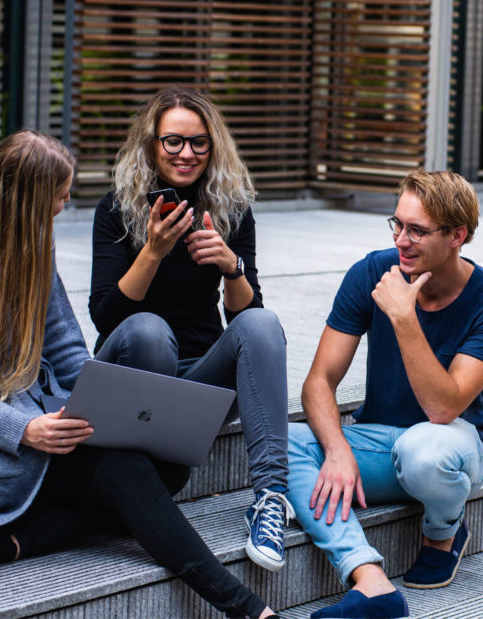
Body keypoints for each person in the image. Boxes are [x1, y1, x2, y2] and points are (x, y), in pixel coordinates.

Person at [0, 130, 279, 618]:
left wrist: (99, 404)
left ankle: (23, 539)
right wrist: (25, 429)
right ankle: (245, 606)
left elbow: (65, 347)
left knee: (170, 469)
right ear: (27, 196)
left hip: (44, 416)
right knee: (128, 473)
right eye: (58, 198)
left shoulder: (32, 242)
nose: (61, 209)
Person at [286, 170, 483, 618]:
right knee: (282, 441)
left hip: (452, 445)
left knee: (424, 449)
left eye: (417, 230)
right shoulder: (372, 272)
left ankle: (443, 530)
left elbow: (444, 407)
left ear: (457, 235)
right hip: (377, 440)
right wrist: (336, 449)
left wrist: (404, 317)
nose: (402, 240)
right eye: (397, 224)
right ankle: (369, 580)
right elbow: (318, 381)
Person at [89, 86, 292, 572]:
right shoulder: (116, 210)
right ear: (151, 144)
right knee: (149, 331)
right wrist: (153, 251)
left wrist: (231, 266)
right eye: (173, 141)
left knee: (263, 324)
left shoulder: (231, 209)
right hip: (133, 374)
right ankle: (144, 478)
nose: (186, 154)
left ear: (213, 146)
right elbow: (106, 317)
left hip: (198, 383)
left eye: (199, 143)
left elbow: (247, 321)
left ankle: (270, 500)